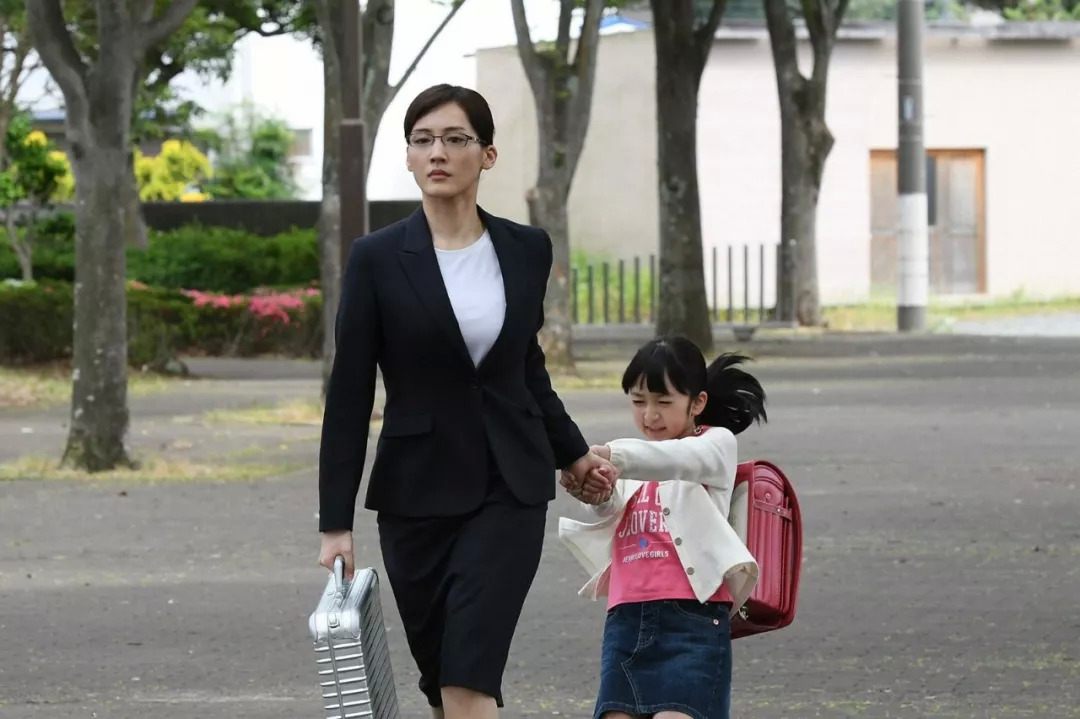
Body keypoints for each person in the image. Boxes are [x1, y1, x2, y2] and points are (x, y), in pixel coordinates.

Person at [316, 83, 613, 719]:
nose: (438, 153)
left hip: (510, 487)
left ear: (488, 154)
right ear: (408, 157)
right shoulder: (376, 259)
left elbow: (523, 365)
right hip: (415, 496)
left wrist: (571, 453)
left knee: (468, 674)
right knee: (441, 679)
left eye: (455, 139)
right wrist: (335, 522)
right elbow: (349, 394)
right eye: (423, 140)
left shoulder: (526, 249)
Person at [557, 335, 768, 719]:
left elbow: (678, 459)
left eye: (663, 402)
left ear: (697, 403)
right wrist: (591, 486)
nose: (649, 415)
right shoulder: (634, 458)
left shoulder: (715, 444)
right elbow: (608, 506)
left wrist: (607, 455)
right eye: (639, 402)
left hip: (693, 619)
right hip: (626, 620)